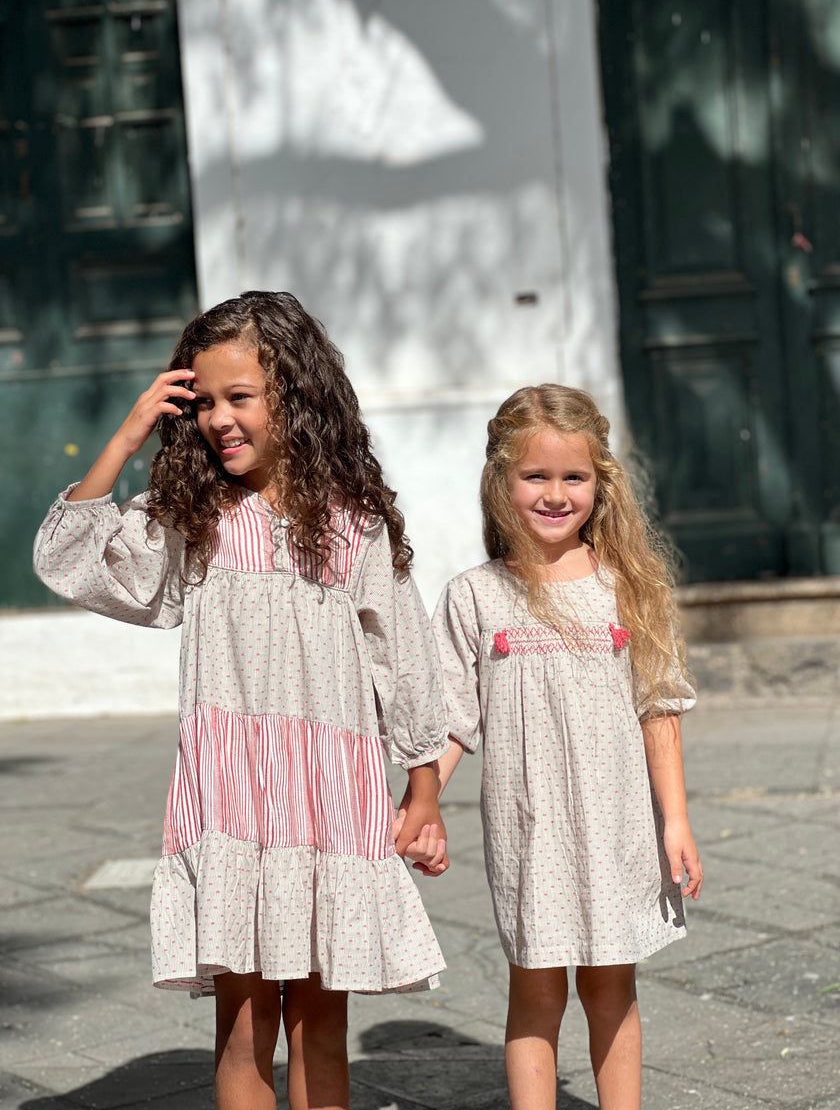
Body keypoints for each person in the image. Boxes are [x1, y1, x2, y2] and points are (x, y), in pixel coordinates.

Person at [33, 291, 450, 1110]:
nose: (221, 419)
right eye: (206, 402)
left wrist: (424, 789)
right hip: (229, 794)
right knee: (244, 1020)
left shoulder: (354, 526)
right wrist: (126, 435)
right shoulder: (192, 518)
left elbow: (405, 656)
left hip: (330, 794)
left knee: (322, 1022)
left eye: (241, 397)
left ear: (296, 396)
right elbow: (71, 555)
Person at [426, 384, 703, 1110]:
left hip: (618, 827)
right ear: (501, 482)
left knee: (612, 984)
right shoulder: (474, 596)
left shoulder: (629, 587)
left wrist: (674, 820)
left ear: (599, 482)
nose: (555, 493)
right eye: (535, 476)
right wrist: (423, 801)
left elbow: (659, 709)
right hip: (530, 830)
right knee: (536, 988)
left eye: (573, 476)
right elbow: (453, 717)